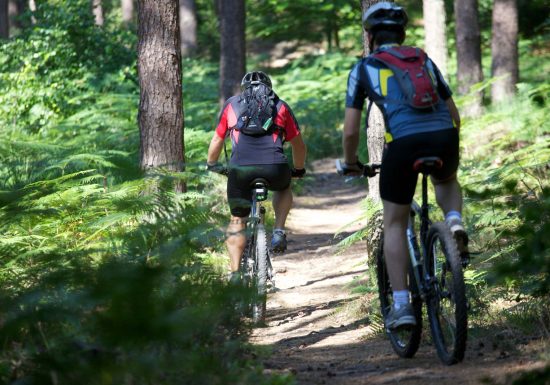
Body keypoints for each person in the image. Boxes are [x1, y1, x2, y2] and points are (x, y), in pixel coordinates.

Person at [341, 2, 468, 329]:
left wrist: (350, 162)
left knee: (396, 222)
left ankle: (402, 306)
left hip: (404, 145)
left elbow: (352, 129)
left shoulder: (364, 68)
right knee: (446, 180)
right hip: (444, 137)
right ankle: (454, 222)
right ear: (403, 33)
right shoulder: (423, 59)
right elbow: (454, 114)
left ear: (368, 36)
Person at [207, 71, 307, 278]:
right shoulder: (280, 106)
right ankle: (279, 230)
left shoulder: (232, 105)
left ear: (244, 88)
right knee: (283, 187)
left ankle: (235, 274)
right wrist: (298, 169)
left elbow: (217, 140)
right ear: (269, 88)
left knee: (237, 219)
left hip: (240, 169)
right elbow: (298, 144)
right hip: (274, 168)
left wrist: (212, 164)